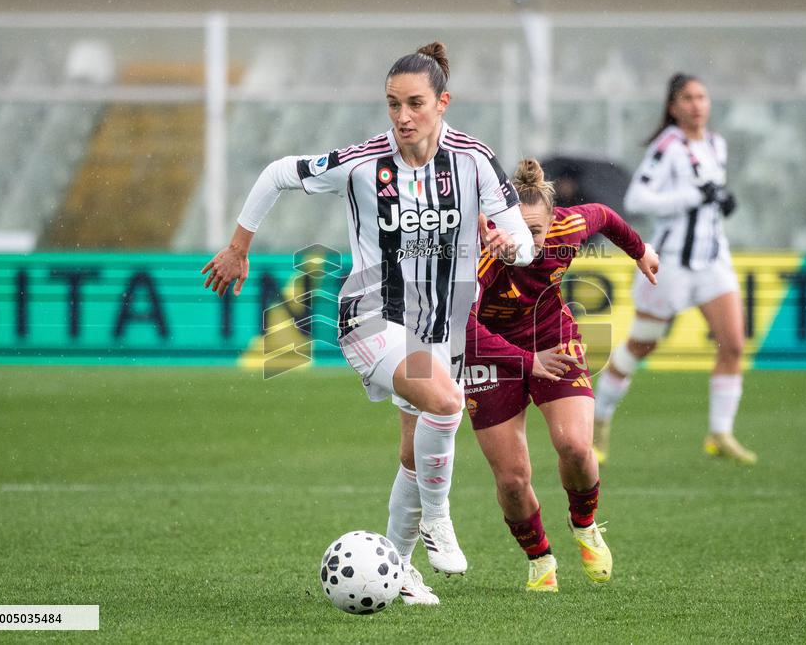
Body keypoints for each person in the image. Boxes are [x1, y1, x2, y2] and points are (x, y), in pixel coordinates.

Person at [201, 42, 536, 604]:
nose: (402, 117)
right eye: (392, 104)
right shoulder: (361, 163)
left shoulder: (475, 159)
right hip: (371, 315)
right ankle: (437, 518)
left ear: (442, 102)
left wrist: (510, 248)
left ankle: (397, 568)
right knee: (448, 404)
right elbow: (279, 172)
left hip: (440, 327)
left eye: (414, 104)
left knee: (414, 451)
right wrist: (239, 246)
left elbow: (522, 239)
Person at [461, 158, 658, 592]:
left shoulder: (569, 228)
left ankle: (584, 524)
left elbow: (605, 216)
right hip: (490, 353)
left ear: (554, 221)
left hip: (553, 336)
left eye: (534, 231)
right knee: (512, 480)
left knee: (574, 445)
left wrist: (640, 251)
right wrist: (528, 362)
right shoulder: (475, 257)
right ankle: (540, 558)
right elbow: (462, 331)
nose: (522, 241)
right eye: (512, 228)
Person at [592, 72, 756, 465]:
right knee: (642, 344)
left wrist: (721, 201)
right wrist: (691, 196)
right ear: (673, 107)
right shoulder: (668, 147)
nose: (697, 104)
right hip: (670, 265)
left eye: (702, 97)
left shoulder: (717, 144)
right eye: (688, 98)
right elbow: (638, 199)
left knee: (733, 342)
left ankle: (720, 433)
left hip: (713, 260)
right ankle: (598, 420)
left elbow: (708, 198)